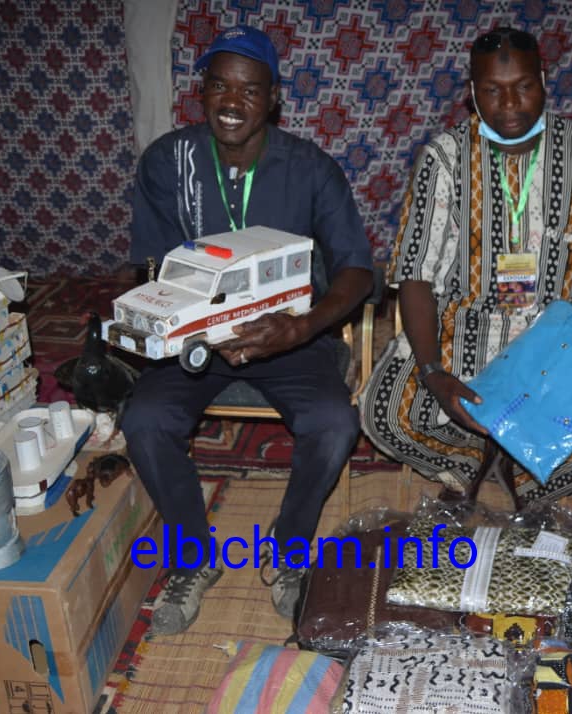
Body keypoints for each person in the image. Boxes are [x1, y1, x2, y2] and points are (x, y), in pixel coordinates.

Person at [121, 26, 373, 633]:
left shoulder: (310, 169)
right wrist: (163, 317)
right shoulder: (168, 162)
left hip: (286, 336)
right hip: (196, 340)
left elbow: (359, 271)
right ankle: (192, 556)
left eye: (250, 90)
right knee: (144, 419)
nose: (232, 102)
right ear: (202, 92)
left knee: (335, 424)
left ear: (274, 98)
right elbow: (148, 264)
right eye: (219, 86)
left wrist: (300, 328)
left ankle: (289, 550)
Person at [361, 27, 572, 505]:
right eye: (493, 90)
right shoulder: (443, 158)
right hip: (462, 327)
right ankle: (471, 463)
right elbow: (415, 273)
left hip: (558, 332)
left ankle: (524, 479)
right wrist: (432, 372)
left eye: (524, 87)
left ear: (544, 81)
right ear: (472, 92)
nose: (510, 104)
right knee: (388, 413)